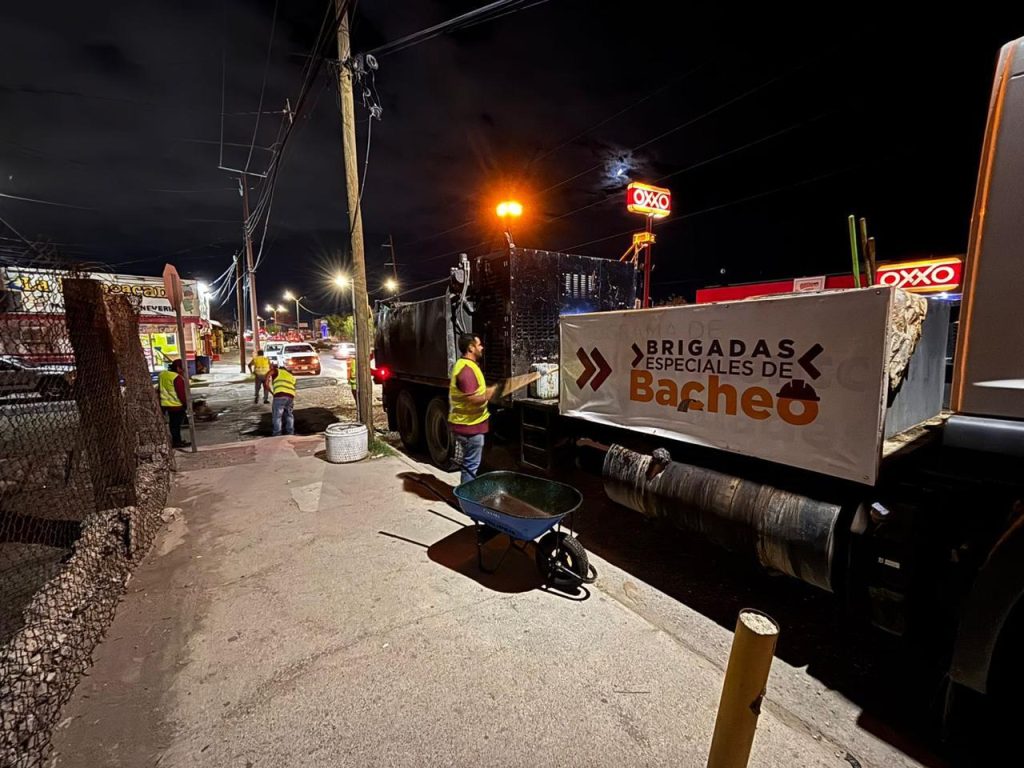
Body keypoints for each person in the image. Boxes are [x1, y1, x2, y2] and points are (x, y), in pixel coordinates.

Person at [448, 334, 498, 484]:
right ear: (471, 347)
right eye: (479, 344)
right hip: (470, 427)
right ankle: (466, 502)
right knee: (471, 466)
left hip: (467, 425)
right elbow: (472, 398)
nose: (482, 347)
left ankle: (467, 497)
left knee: (469, 464)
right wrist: (489, 394)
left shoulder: (465, 366)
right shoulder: (467, 371)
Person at [158, 359, 189, 448]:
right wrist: (186, 404)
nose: (184, 371)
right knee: (176, 425)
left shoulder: (163, 374)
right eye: (183, 369)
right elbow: (181, 393)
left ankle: (176, 440)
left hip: (165, 404)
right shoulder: (177, 378)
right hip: (176, 405)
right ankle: (177, 442)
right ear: (178, 368)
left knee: (173, 425)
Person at [268, 363, 296, 436]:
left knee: (277, 415)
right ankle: (290, 432)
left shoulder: (276, 370)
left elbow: (266, 380)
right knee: (289, 415)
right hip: (290, 396)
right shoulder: (291, 376)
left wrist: (271, 391)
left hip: (280, 395)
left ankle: (277, 434)